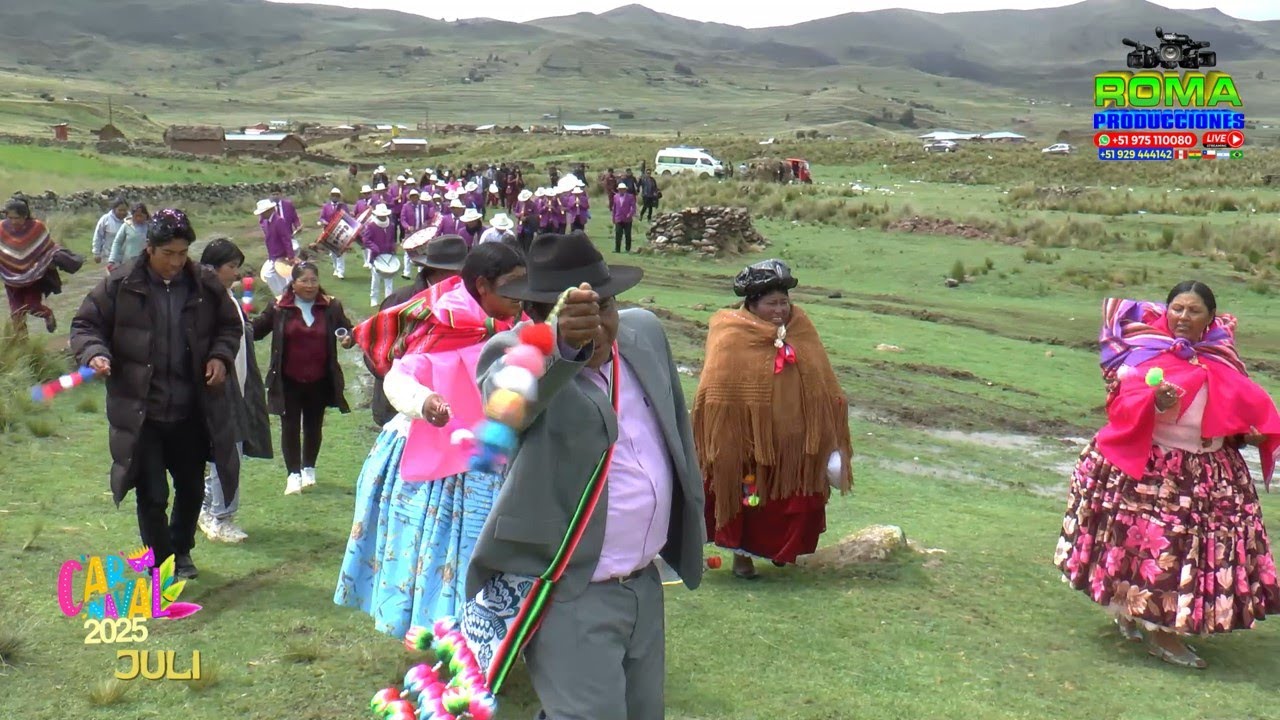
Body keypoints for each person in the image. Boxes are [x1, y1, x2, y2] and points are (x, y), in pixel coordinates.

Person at [467, 231, 705, 720]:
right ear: (536, 315)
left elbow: (676, 428)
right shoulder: (513, 355)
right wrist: (561, 344)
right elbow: (504, 407)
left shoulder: (643, 334)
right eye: (573, 314)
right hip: (571, 588)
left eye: (604, 309)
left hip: (645, 583)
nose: (596, 326)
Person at [1055, 282, 1280, 669]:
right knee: (1145, 548)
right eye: (1177, 309)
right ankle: (1150, 626)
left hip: (1208, 472)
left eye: (1194, 311)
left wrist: (1248, 434)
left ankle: (1154, 624)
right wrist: (1152, 401)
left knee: (1185, 553)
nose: (1183, 317)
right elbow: (1119, 403)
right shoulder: (1146, 352)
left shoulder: (1222, 358)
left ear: (1210, 317)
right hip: (1150, 467)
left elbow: (1231, 413)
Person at [335, 243, 527, 636]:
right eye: (512, 285)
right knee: (444, 548)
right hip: (442, 462)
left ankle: (495, 632)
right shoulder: (442, 323)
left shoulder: (519, 328)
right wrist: (424, 402)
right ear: (483, 286)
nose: (522, 293)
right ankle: (443, 628)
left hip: (496, 454)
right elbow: (399, 377)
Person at [69, 209, 241, 579]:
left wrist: (220, 356)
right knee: (153, 494)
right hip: (141, 412)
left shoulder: (203, 284)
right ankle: (161, 564)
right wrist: (94, 353)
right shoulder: (120, 284)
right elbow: (85, 324)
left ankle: (181, 549)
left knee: (191, 489)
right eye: (168, 254)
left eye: (182, 253)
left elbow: (229, 326)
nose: (176, 262)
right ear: (149, 248)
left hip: (191, 410)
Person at [693, 260, 853, 579]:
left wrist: (826, 425)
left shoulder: (800, 327)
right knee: (748, 499)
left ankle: (782, 550)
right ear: (752, 304)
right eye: (771, 303)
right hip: (747, 441)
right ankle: (742, 559)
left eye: (784, 302)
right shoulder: (730, 332)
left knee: (795, 497)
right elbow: (715, 389)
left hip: (795, 439)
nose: (780, 310)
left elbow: (821, 379)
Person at [251, 262, 354, 495]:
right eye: (304, 281)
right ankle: (293, 475)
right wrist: (238, 317)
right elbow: (256, 331)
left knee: (313, 425)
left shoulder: (331, 306)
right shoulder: (279, 307)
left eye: (313, 280)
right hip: (287, 380)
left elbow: (348, 331)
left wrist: (348, 338)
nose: (310, 285)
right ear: (293, 283)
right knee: (289, 426)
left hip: (320, 379)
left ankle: (309, 469)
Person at [197, 238, 273, 543]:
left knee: (228, 453)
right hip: (218, 389)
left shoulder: (228, 298)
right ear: (212, 268)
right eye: (231, 267)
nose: (236, 273)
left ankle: (207, 507)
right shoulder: (203, 303)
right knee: (228, 453)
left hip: (238, 387)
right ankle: (220, 518)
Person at [365, 233, 470, 427]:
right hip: (401, 413)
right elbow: (374, 355)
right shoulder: (401, 303)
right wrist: (407, 385)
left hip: (450, 410)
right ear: (438, 271)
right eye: (459, 273)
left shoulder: (467, 304)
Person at [2, 197, 81, 335]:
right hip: (11, 278)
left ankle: (47, 314)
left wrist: (52, 261)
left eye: (17, 218)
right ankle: (22, 344)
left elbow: (48, 248)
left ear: (25, 215)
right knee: (17, 313)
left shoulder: (37, 227)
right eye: (10, 218)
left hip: (33, 276)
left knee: (32, 307)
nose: (13, 221)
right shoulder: (2, 228)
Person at [254, 198, 297, 299]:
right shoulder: (266, 222)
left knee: (270, 274)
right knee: (278, 275)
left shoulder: (279, 221)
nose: (261, 215)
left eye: (262, 212)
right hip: (273, 255)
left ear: (269, 211)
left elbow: (286, 239)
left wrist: (290, 256)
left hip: (281, 255)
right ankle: (284, 294)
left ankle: (282, 295)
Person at [361, 204, 398, 307]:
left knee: (389, 280)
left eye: (384, 215)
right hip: (376, 256)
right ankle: (374, 300)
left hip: (388, 255)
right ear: (377, 215)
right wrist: (374, 247)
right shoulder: (371, 226)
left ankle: (388, 301)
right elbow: (366, 240)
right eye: (381, 215)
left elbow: (392, 239)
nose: (382, 217)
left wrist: (393, 247)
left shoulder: (391, 226)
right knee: (376, 279)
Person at [317, 187, 348, 280]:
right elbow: (321, 217)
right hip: (329, 232)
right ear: (331, 196)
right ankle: (336, 268)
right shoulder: (326, 207)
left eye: (337, 195)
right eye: (333, 195)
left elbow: (348, 217)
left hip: (340, 231)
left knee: (340, 252)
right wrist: (324, 222)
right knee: (333, 252)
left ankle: (340, 271)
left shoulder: (343, 206)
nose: (335, 197)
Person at [107, 203, 150, 270]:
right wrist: (112, 260)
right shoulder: (126, 226)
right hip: (129, 262)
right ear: (132, 215)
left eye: (141, 216)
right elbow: (117, 242)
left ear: (145, 215)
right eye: (136, 216)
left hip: (147, 262)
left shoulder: (150, 226)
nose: (138, 218)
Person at [91, 198, 128, 265]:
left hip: (127, 257)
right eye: (120, 210)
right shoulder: (106, 219)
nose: (122, 212)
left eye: (124, 210)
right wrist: (96, 253)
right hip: (109, 257)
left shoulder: (130, 219)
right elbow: (98, 236)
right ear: (114, 209)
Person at [611, 181, 636, 253]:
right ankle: (617, 249)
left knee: (628, 234)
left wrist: (630, 214)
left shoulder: (630, 197)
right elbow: (614, 208)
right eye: (620, 189)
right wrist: (613, 217)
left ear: (625, 189)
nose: (621, 190)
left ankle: (628, 249)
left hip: (627, 219)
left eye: (622, 189)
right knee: (618, 234)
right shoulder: (615, 197)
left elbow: (633, 207)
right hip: (618, 218)